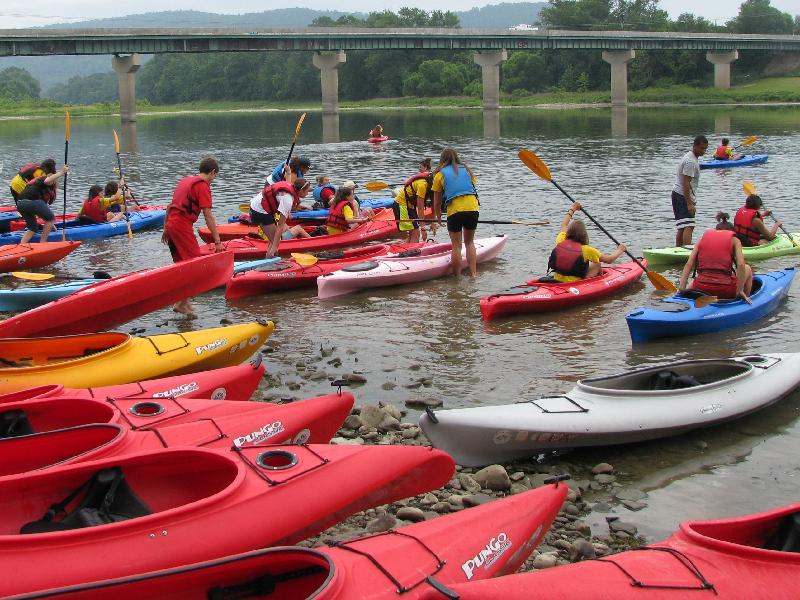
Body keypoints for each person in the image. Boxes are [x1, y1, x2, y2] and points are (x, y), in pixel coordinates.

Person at [162, 157, 223, 318]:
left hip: (171, 225)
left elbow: (170, 206)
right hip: (181, 226)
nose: (213, 180)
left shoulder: (186, 180)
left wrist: (165, 229)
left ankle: (184, 303)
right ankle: (180, 303)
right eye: (214, 176)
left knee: (183, 265)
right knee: (196, 267)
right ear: (212, 172)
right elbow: (208, 215)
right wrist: (217, 241)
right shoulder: (202, 186)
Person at [431, 147, 480, 277]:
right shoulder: (467, 170)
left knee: (457, 246)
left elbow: (436, 202)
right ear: (456, 157)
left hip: (455, 210)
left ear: (442, 160)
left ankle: (457, 277)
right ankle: (473, 275)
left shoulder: (440, 174)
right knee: (469, 242)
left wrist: (438, 217)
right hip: (473, 208)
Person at [548, 201, 626, 281]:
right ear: (584, 234)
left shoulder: (561, 240)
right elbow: (609, 259)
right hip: (575, 283)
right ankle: (600, 283)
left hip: (557, 279)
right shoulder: (586, 250)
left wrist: (573, 209)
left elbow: (564, 225)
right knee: (597, 264)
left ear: (569, 232)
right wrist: (620, 250)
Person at [679, 228, 753, 303]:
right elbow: (741, 264)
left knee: (694, 281)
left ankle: (684, 297)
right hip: (724, 290)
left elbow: (689, 264)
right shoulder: (735, 240)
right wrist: (739, 290)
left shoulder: (701, 240)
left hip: (700, 288)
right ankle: (742, 301)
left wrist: (682, 288)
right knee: (747, 268)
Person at [251, 177, 312, 257]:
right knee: (275, 242)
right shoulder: (288, 199)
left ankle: (269, 258)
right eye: (307, 191)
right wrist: (275, 246)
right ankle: (270, 261)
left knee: (273, 240)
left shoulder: (291, 187)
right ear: (301, 190)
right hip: (260, 210)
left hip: (259, 205)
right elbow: (280, 225)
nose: (308, 193)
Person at [16, 159, 68, 244]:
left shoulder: (37, 181)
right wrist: (62, 172)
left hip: (20, 203)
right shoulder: (45, 179)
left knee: (33, 228)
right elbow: (48, 180)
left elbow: (41, 210)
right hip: (30, 202)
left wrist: (50, 223)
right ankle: (42, 242)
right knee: (51, 218)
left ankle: (22, 245)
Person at [672, 135, 708, 247]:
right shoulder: (690, 162)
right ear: (695, 145)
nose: (703, 151)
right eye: (702, 148)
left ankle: (678, 249)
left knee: (682, 225)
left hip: (678, 194)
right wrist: (689, 204)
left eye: (705, 149)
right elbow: (686, 183)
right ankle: (687, 251)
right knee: (689, 225)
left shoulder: (689, 157)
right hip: (682, 195)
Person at [393, 158, 433, 243]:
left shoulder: (431, 183)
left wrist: (434, 222)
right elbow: (421, 208)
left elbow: (435, 204)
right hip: (401, 205)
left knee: (412, 233)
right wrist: (423, 228)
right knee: (415, 233)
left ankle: (404, 251)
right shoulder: (423, 185)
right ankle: (412, 253)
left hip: (408, 206)